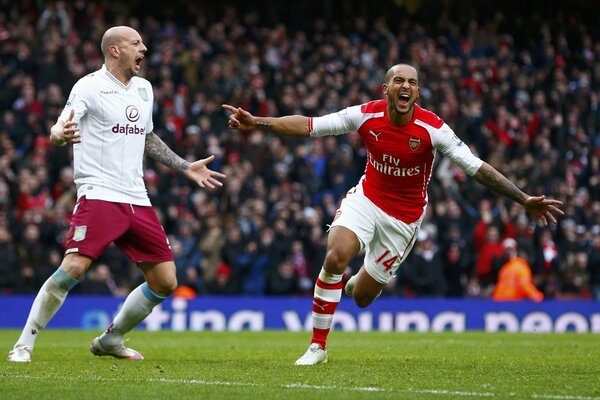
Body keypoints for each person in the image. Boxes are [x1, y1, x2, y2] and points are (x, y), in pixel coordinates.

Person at [222, 63, 564, 366]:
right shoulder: (366, 114)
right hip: (367, 200)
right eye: (398, 81)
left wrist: (522, 199)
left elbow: (476, 168)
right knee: (336, 254)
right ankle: (317, 346)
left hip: (403, 221)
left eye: (412, 82)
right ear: (385, 89)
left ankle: (360, 281)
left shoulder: (433, 129)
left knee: (361, 297)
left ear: (417, 91)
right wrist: (259, 123)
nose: (406, 86)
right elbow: (310, 125)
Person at [7, 26, 225, 363]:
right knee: (74, 267)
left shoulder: (144, 89)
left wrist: (184, 167)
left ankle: (112, 338)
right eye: (136, 43)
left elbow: (147, 137)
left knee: (166, 281)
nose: (145, 48)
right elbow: (59, 127)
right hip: (99, 193)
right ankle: (24, 343)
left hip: (137, 197)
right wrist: (58, 134)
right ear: (114, 50)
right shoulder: (89, 86)